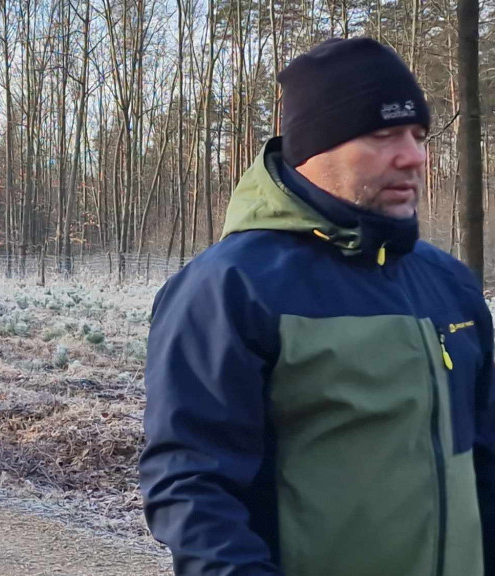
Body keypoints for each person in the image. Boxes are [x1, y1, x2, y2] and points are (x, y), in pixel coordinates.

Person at [139, 37, 494, 576]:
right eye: (383, 134)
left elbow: (484, 460)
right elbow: (192, 487)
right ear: (314, 150)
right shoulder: (231, 286)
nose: (414, 156)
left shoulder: (450, 284)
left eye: (419, 135)